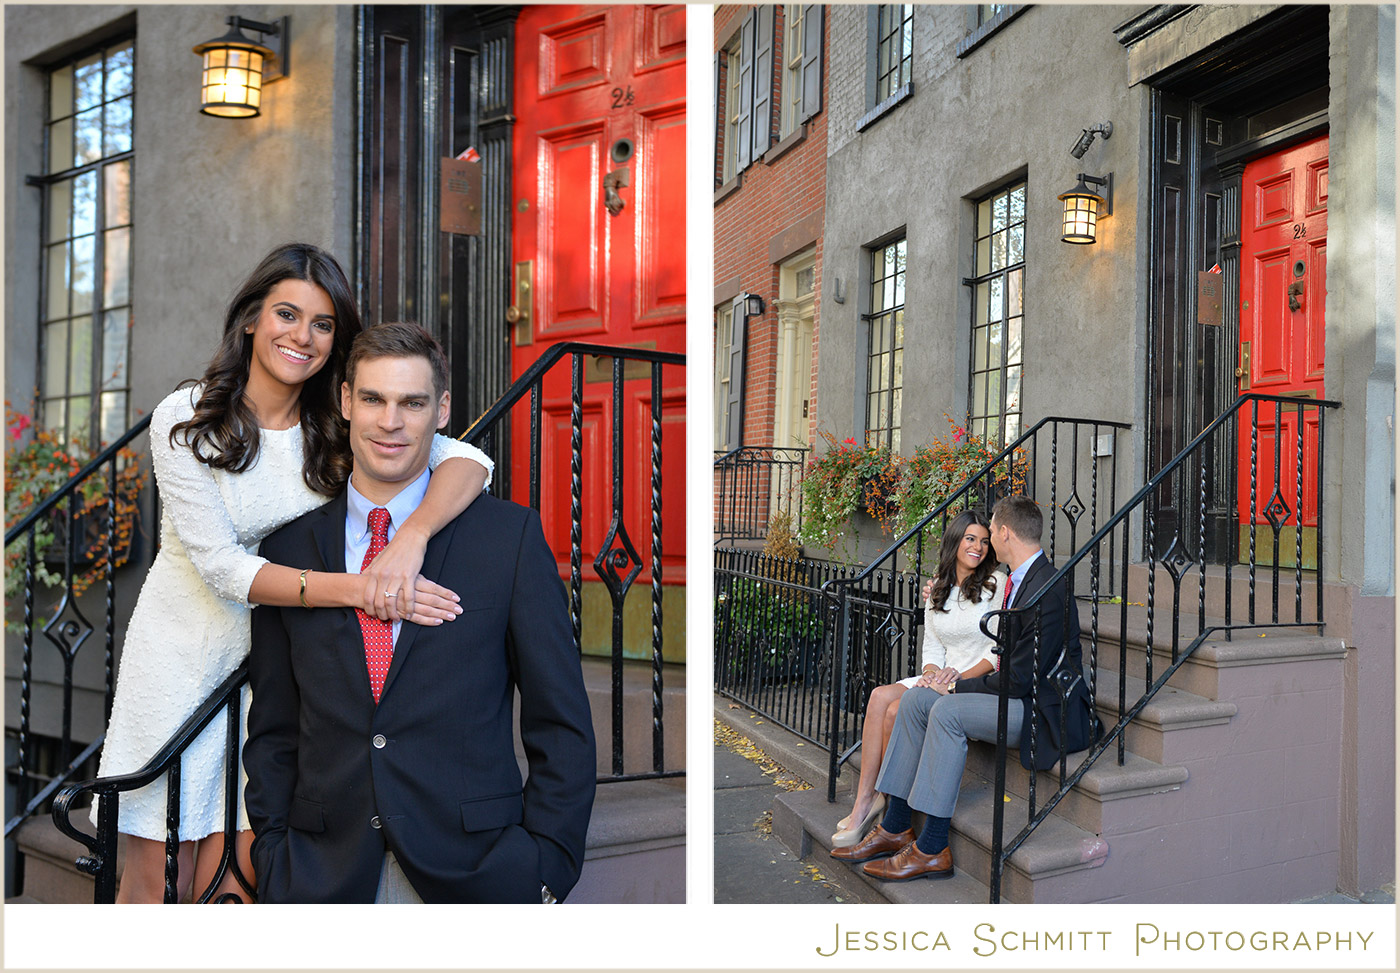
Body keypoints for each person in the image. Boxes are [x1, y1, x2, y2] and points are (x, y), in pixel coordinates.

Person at [93, 244, 493, 903]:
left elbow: (471, 463)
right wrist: (363, 588)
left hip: (283, 675)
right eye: (286, 313)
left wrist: (410, 540)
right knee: (159, 878)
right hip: (183, 665)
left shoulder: (336, 427)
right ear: (252, 318)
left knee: (243, 879)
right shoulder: (187, 419)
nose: (301, 335)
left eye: (323, 322)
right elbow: (223, 568)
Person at [244, 322, 596, 903]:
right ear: (345, 402)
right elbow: (274, 728)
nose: (391, 422)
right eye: (374, 399)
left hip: (477, 873)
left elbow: (559, 721)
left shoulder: (507, 540)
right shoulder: (288, 553)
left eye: (412, 402)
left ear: (442, 410)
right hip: (321, 876)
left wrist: (546, 867)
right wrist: (274, 852)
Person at [831, 494, 1094, 882]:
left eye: (990, 532)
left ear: (1004, 533)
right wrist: (939, 679)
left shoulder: (1045, 588)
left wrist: (955, 689)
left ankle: (932, 848)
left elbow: (1019, 678)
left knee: (945, 710)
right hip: (1012, 694)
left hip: (1041, 710)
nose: (986, 541)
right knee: (917, 699)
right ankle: (895, 826)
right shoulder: (1020, 581)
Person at [830, 509, 1003, 848]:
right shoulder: (938, 587)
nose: (978, 547)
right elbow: (932, 646)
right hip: (940, 676)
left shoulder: (995, 586)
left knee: (896, 711)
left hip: (968, 680)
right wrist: (929, 675)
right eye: (970, 538)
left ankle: (889, 805)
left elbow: (996, 652)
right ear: (955, 540)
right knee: (880, 695)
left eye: (984, 541)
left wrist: (953, 681)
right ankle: (866, 800)